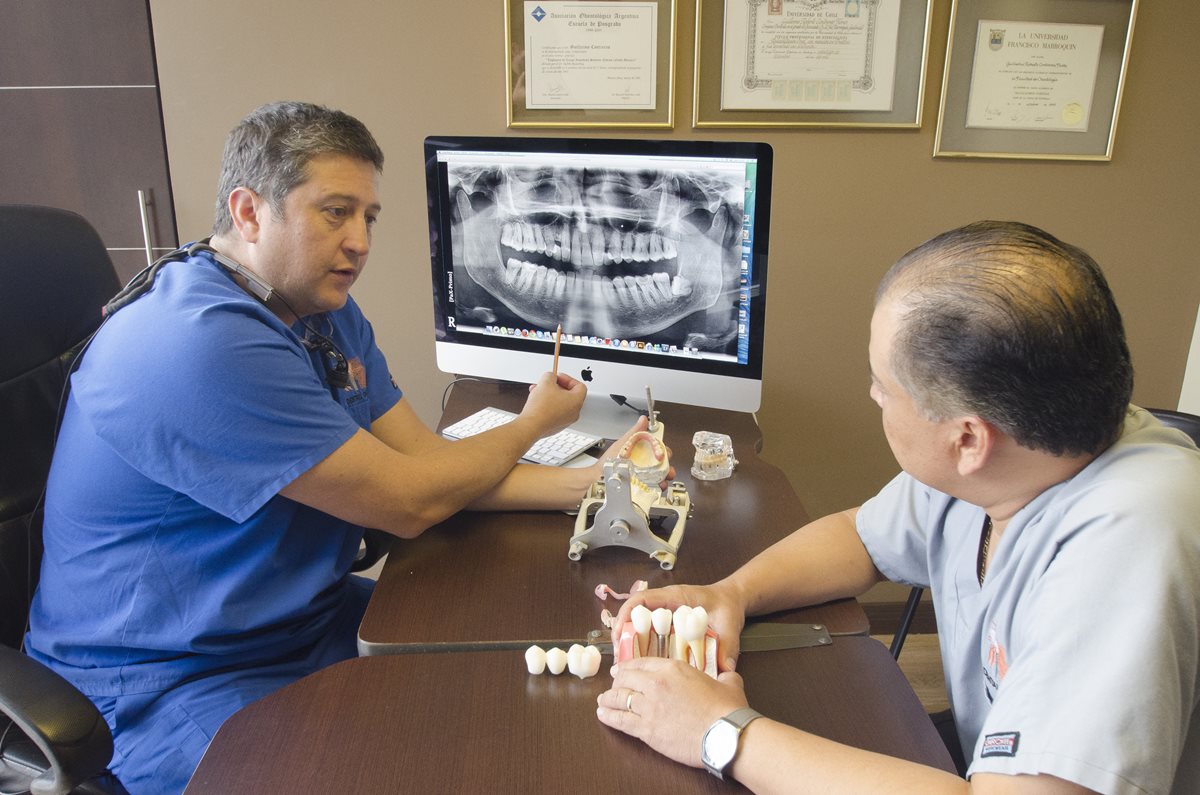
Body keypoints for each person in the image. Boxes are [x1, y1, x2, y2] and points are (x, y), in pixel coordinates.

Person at [24, 101, 646, 795]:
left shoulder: (321, 312)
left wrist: (592, 480)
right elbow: (413, 501)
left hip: (295, 622)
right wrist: (532, 423)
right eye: (335, 212)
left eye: (369, 217)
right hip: (165, 678)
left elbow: (425, 462)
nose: (360, 241)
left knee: (505, 684)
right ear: (249, 210)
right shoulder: (199, 341)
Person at [599, 221, 1200, 794]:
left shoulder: (1128, 546)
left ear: (967, 438)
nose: (871, 394)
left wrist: (721, 735)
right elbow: (861, 540)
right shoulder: (1017, 454)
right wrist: (730, 593)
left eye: (884, 386)